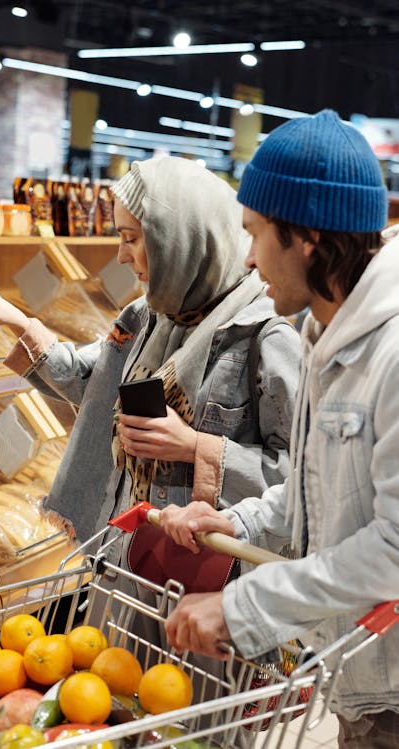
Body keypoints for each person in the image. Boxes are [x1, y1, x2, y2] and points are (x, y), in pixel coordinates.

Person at [160, 111, 399, 748]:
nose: (246, 256)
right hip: (358, 667)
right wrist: (237, 522)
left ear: (308, 237)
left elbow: (396, 546)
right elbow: (315, 485)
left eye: (256, 233)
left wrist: (243, 608)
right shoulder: (323, 332)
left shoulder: (394, 352)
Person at [0, 156, 300, 548]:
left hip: (205, 582)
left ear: (180, 239)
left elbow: (303, 480)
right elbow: (94, 385)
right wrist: (19, 322)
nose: (121, 256)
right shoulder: (148, 315)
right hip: (128, 559)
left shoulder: (264, 337)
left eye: (131, 238)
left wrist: (196, 447)